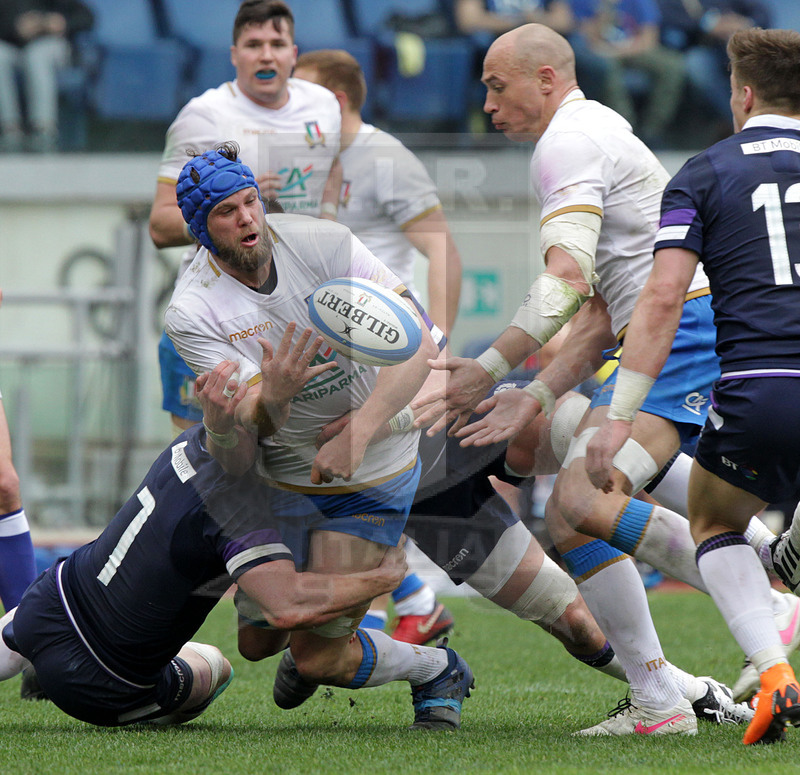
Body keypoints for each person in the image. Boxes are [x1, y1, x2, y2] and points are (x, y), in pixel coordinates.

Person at [410, 22, 786, 735]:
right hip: (664, 333)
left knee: (582, 497)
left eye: (497, 85)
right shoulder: (596, 129)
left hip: (682, 334)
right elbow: (598, 311)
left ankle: (762, 594)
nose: (486, 103)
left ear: (546, 79)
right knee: (570, 497)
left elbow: (564, 282)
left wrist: (487, 369)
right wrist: (534, 391)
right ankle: (663, 691)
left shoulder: (567, 143)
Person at [165, 143, 474, 731]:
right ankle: (323, 648)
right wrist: (275, 395)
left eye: (250, 202)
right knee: (259, 642)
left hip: (366, 472)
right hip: (276, 479)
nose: (248, 219)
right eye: (227, 212)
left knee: (318, 655)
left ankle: (437, 668)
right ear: (201, 230)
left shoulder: (323, 243)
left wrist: (361, 428)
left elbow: (420, 343)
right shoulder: (192, 310)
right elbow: (250, 426)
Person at [584, 27, 800, 746]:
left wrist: (619, 415)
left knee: (716, 521)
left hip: (758, 386)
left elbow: (664, 296)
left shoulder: (705, 171)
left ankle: (774, 671)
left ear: (742, 94)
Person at [0, 347, 407, 727]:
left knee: (248, 628)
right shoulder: (237, 503)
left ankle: (36, 658)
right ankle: (427, 656)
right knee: (218, 663)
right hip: (103, 683)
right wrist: (384, 580)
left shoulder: (186, 441)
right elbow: (286, 607)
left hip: (45, 605)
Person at [292, 48, 463, 644]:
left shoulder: (383, 157)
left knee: (356, 482)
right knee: (331, 482)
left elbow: (442, 249)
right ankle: (409, 600)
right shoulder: (307, 160)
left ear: (335, 101)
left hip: (385, 358)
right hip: (333, 358)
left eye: (303, 92)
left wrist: (436, 350)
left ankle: (388, 610)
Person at [149, 0, 342, 436]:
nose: (266, 54)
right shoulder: (204, 118)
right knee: (205, 456)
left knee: (284, 451)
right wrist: (233, 212)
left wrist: (326, 222)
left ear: (295, 53)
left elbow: (333, 166)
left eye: (277, 43)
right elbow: (159, 225)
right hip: (214, 312)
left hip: (291, 305)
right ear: (234, 54)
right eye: (253, 44)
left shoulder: (323, 105)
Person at [569, 0, 686, 148]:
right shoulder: (588, 2)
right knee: (607, 68)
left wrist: (619, 51)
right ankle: (626, 132)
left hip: (633, 50)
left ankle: (652, 131)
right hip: (601, 53)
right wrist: (602, 16)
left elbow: (648, 40)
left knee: (673, 66)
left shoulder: (640, 2)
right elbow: (587, 39)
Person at [454, 0, 613, 107]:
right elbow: (469, 20)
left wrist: (536, 21)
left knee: (596, 67)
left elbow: (563, 20)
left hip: (544, 43)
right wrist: (518, 23)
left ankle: (585, 126)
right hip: (499, 43)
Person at [657, 0, 772, 141]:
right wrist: (708, 24)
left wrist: (744, 23)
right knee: (696, 66)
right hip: (700, 46)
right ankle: (741, 123)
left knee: (768, 64)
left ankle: (763, 124)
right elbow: (669, 18)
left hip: (739, 45)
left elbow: (762, 13)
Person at [0, 0, 93, 153]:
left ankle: (43, 130)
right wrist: (15, 28)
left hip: (50, 46)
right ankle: (10, 131)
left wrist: (63, 23)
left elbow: (87, 17)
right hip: (13, 46)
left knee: (36, 55)